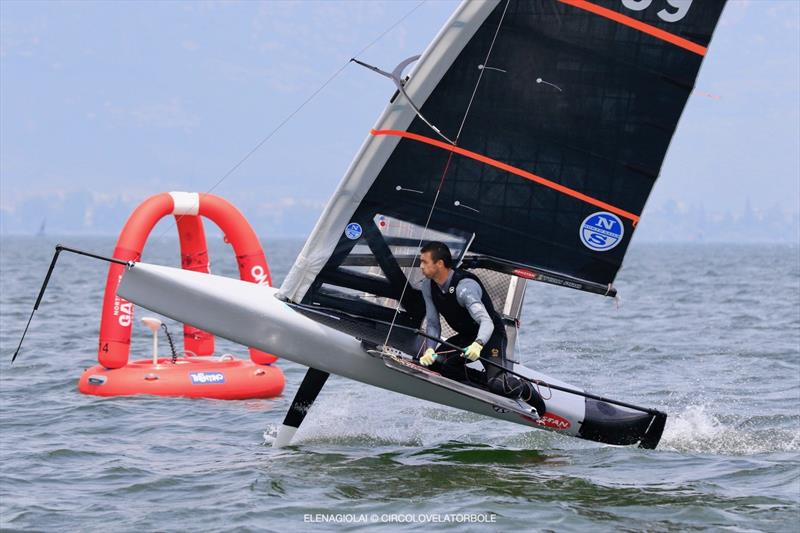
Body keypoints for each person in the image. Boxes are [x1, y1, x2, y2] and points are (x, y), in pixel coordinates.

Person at [417, 241, 545, 416]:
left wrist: (478, 344)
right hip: (467, 336)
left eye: (424, 262)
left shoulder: (464, 288)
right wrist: (430, 349)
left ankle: (523, 387)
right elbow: (432, 323)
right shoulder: (428, 286)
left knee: (501, 386)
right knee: (438, 365)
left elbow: (487, 321)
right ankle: (487, 383)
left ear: (439, 263)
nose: (420, 266)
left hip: (490, 335)